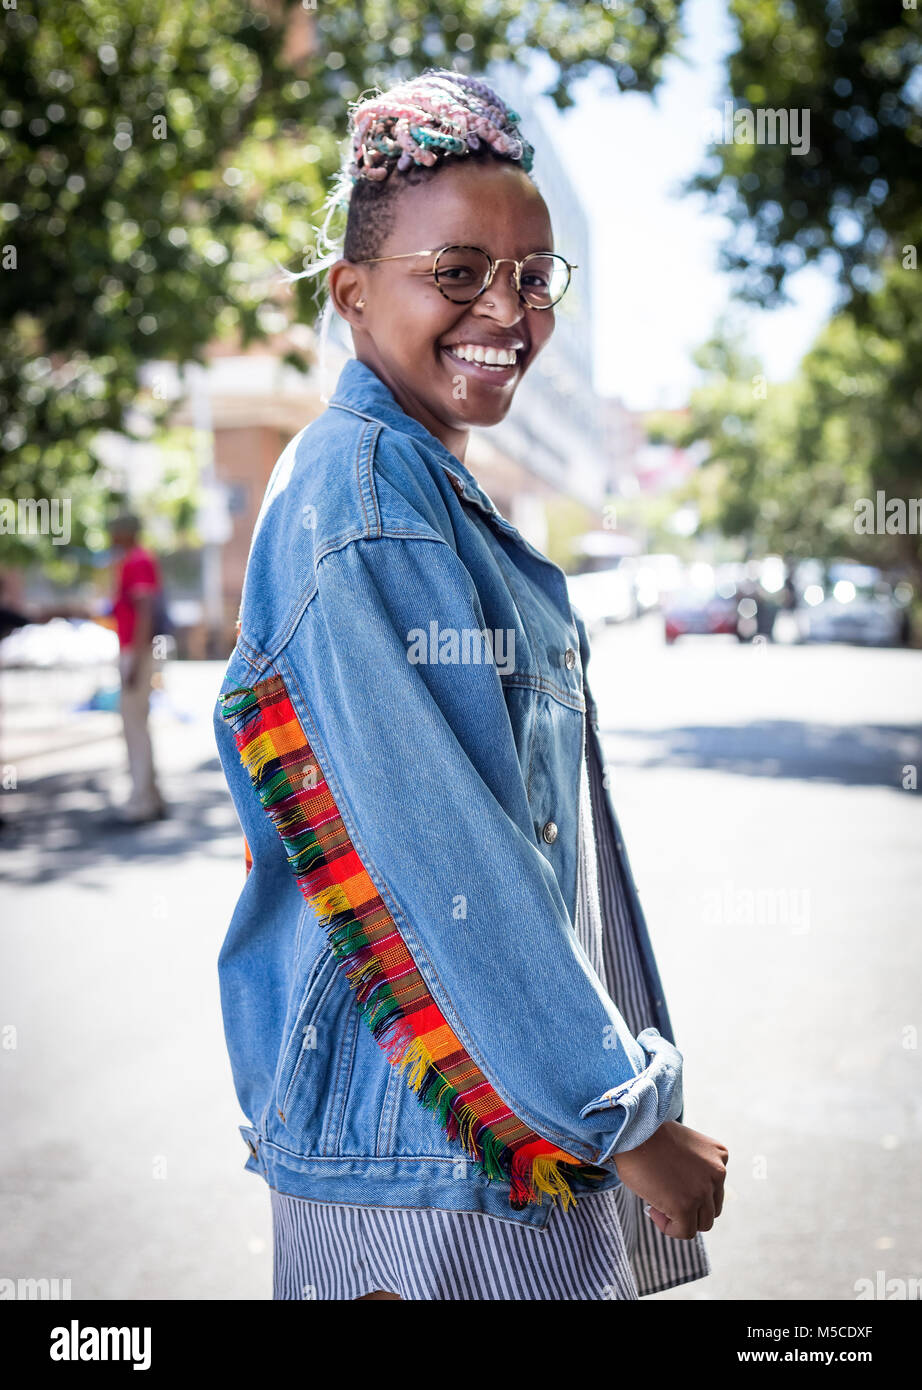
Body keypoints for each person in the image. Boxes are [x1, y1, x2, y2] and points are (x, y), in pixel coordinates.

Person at [213, 68, 728, 1302]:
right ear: (349, 294)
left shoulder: (421, 489)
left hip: (465, 1134)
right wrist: (623, 1116)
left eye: (533, 275)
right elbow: (441, 860)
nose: (508, 309)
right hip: (432, 1160)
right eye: (456, 273)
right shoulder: (368, 497)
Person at [108, 512, 167, 824]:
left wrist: (138, 658)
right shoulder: (134, 559)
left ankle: (142, 799)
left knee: (133, 725)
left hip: (137, 650)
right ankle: (151, 795)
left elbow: (146, 610)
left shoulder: (138, 560)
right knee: (136, 723)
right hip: (136, 649)